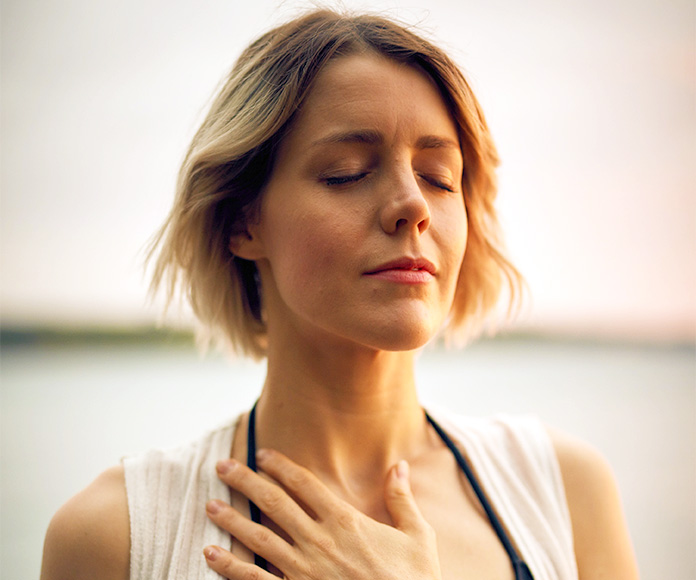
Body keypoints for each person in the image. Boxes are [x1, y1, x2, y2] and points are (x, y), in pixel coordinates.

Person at [40, 9, 639, 580]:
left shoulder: (564, 490)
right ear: (242, 222)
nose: (413, 205)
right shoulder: (116, 536)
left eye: (440, 177)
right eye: (347, 172)